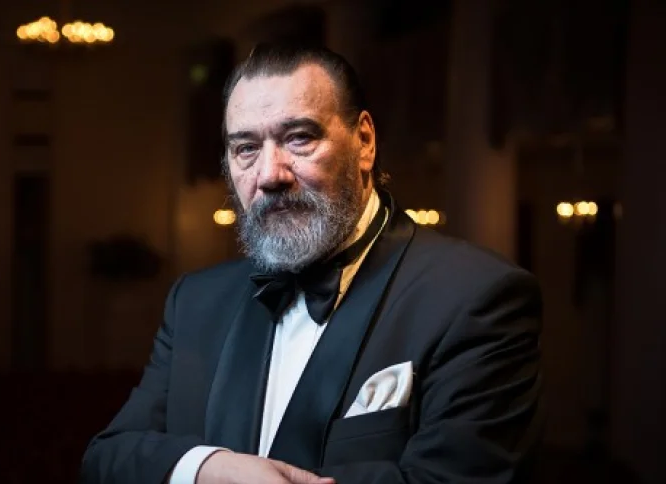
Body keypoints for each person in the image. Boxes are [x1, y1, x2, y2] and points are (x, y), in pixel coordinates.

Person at [81, 43, 543, 484]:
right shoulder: (194, 301)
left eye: (299, 138)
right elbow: (108, 458)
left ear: (364, 142)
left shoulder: (476, 296)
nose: (269, 175)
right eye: (246, 148)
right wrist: (207, 470)